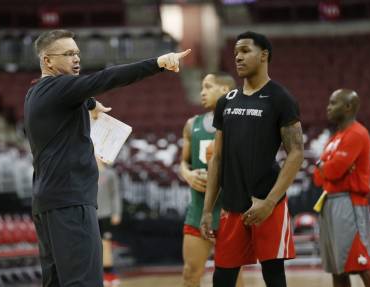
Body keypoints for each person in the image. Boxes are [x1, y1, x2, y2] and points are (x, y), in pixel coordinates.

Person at [24, 29, 190, 287]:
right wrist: (157, 63)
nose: (76, 59)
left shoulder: (35, 93)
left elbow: (73, 97)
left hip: (47, 202)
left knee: (56, 282)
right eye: (68, 54)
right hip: (71, 200)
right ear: (47, 61)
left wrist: (89, 104)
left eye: (77, 53)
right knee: (84, 281)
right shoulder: (61, 88)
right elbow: (105, 78)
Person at [200, 31, 304, 287]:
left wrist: (269, 203)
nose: (238, 57)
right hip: (232, 205)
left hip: (268, 205)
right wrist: (206, 210)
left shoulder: (281, 98)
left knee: (274, 277)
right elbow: (218, 158)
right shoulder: (226, 102)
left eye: (245, 51)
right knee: (222, 278)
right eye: (236, 52)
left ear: (264, 55)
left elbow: (296, 153)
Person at [313, 89, 370, 287]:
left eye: (333, 103)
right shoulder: (335, 137)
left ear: (348, 107)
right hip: (329, 200)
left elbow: (333, 171)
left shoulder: (357, 133)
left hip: (349, 203)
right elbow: (318, 177)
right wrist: (325, 166)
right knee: (337, 267)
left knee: (361, 263)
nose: (328, 107)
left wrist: (325, 165)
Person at [180, 73, 244, 287]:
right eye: (201, 87)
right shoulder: (192, 124)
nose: (202, 92)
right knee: (190, 273)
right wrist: (189, 175)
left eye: (207, 87)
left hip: (230, 210)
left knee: (234, 278)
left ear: (225, 90)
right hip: (199, 209)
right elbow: (183, 163)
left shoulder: (242, 123)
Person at [97, 158, 122, 287]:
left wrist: (116, 212)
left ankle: (109, 274)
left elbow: (115, 194)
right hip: (92, 215)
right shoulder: (87, 173)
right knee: (95, 247)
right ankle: (100, 275)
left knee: (106, 245)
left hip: (106, 215)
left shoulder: (110, 173)